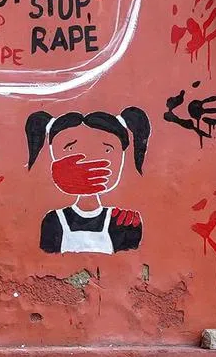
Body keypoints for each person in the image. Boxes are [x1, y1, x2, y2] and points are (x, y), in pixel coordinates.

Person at [24, 107, 150, 254]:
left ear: (122, 156)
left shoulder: (124, 224)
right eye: (70, 149)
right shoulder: (53, 222)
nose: (90, 160)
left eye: (107, 150)